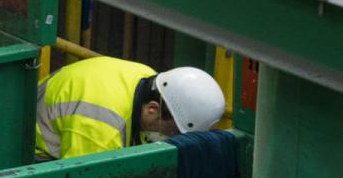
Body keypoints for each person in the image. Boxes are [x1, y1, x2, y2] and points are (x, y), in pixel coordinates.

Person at [33, 57, 226, 161]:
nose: (172, 137)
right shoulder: (102, 127)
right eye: (173, 131)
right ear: (152, 109)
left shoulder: (146, 78)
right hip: (32, 154)